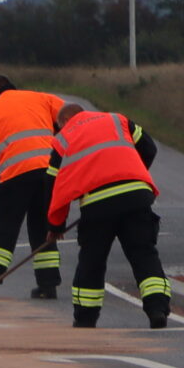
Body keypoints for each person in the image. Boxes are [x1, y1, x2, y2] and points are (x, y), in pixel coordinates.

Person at [45, 102, 171, 329]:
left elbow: (54, 187)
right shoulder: (117, 119)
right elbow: (149, 148)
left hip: (97, 204)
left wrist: (56, 225)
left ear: (64, 122)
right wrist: (133, 173)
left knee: (92, 260)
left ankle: (85, 317)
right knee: (144, 254)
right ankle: (157, 309)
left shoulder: (63, 138)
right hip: (136, 196)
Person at [0, 74, 65, 300]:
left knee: (2, 230)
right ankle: (48, 285)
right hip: (49, 174)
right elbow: (70, 118)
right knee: (41, 228)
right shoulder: (41, 98)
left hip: (17, 175)